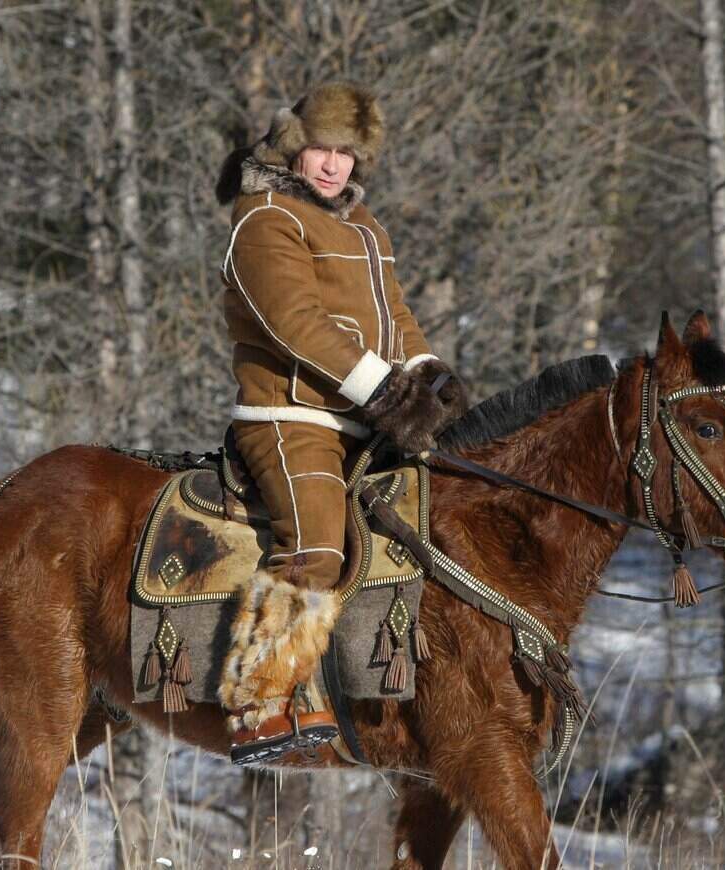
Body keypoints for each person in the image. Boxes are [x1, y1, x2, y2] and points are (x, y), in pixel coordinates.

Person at [215, 82, 469, 763]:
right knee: (318, 546)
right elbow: (295, 326)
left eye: (348, 155)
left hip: (365, 421)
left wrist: (432, 376)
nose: (333, 166)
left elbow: (395, 317)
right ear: (295, 146)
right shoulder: (264, 217)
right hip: (289, 414)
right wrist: (386, 392)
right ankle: (259, 701)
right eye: (323, 149)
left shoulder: (366, 227)